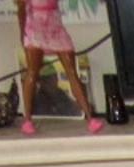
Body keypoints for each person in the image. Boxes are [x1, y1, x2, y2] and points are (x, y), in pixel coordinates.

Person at [15, 0, 102, 135]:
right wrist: (23, 35)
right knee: (32, 72)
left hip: (55, 28)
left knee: (72, 72)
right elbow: (21, 11)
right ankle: (27, 120)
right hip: (35, 30)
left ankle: (90, 118)